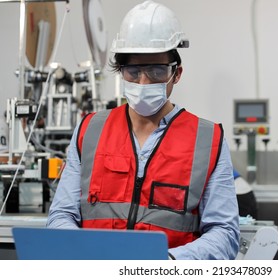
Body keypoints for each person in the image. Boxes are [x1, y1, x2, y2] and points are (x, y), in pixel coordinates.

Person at [46, 0, 239, 260]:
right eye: (133, 71)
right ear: (121, 72)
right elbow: (62, 215)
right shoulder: (90, 130)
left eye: (157, 71)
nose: (144, 81)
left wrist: (169, 263)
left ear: (176, 73)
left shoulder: (207, 140)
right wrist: (83, 255)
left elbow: (224, 233)